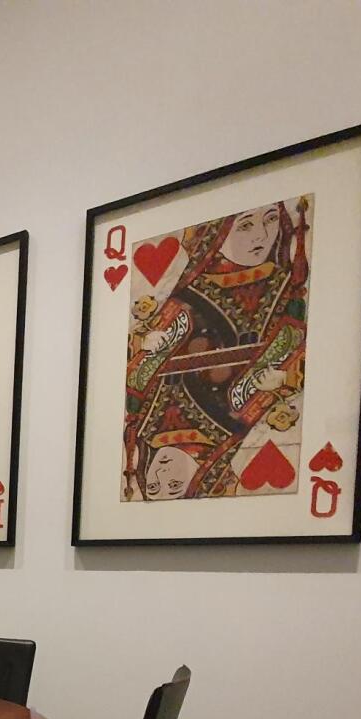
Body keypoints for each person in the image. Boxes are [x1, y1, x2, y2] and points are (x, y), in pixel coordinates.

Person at [123, 197, 310, 501]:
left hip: (232, 417)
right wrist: (149, 345)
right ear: (217, 236)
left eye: (271, 220)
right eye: (246, 225)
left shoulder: (286, 288)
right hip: (196, 417)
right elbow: (139, 371)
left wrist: (281, 379)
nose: (261, 236)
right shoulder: (188, 295)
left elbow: (292, 346)